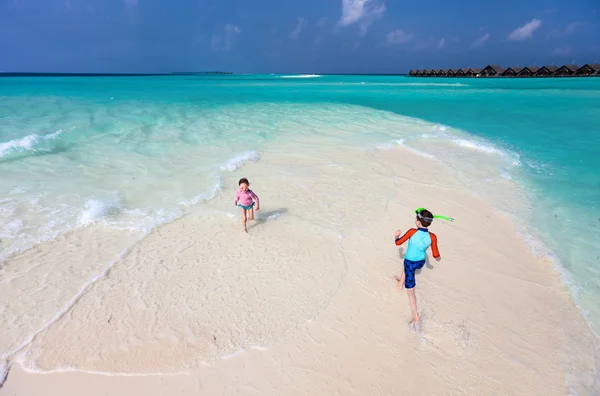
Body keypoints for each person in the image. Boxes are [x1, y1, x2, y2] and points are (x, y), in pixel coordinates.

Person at [393, 209, 441, 326]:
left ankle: (416, 316)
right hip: (421, 262)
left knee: (410, 290)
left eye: (416, 219)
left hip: (410, 262)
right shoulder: (432, 236)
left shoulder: (412, 232)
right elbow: (435, 254)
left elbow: (398, 243)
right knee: (407, 265)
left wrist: (396, 236)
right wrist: (437, 258)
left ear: (418, 222)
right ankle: (400, 283)